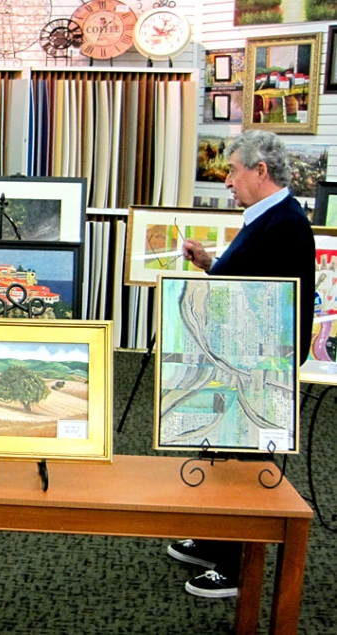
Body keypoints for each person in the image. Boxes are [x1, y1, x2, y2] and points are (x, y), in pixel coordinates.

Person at [175, 130, 315, 599]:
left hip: (255, 371)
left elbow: (273, 305)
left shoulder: (285, 223)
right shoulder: (269, 219)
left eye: (233, 171)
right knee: (224, 454)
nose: (228, 181)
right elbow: (248, 281)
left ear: (261, 171)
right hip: (239, 362)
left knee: (245, 462)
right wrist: (211, 265)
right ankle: (217, 541)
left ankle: (236, 566)